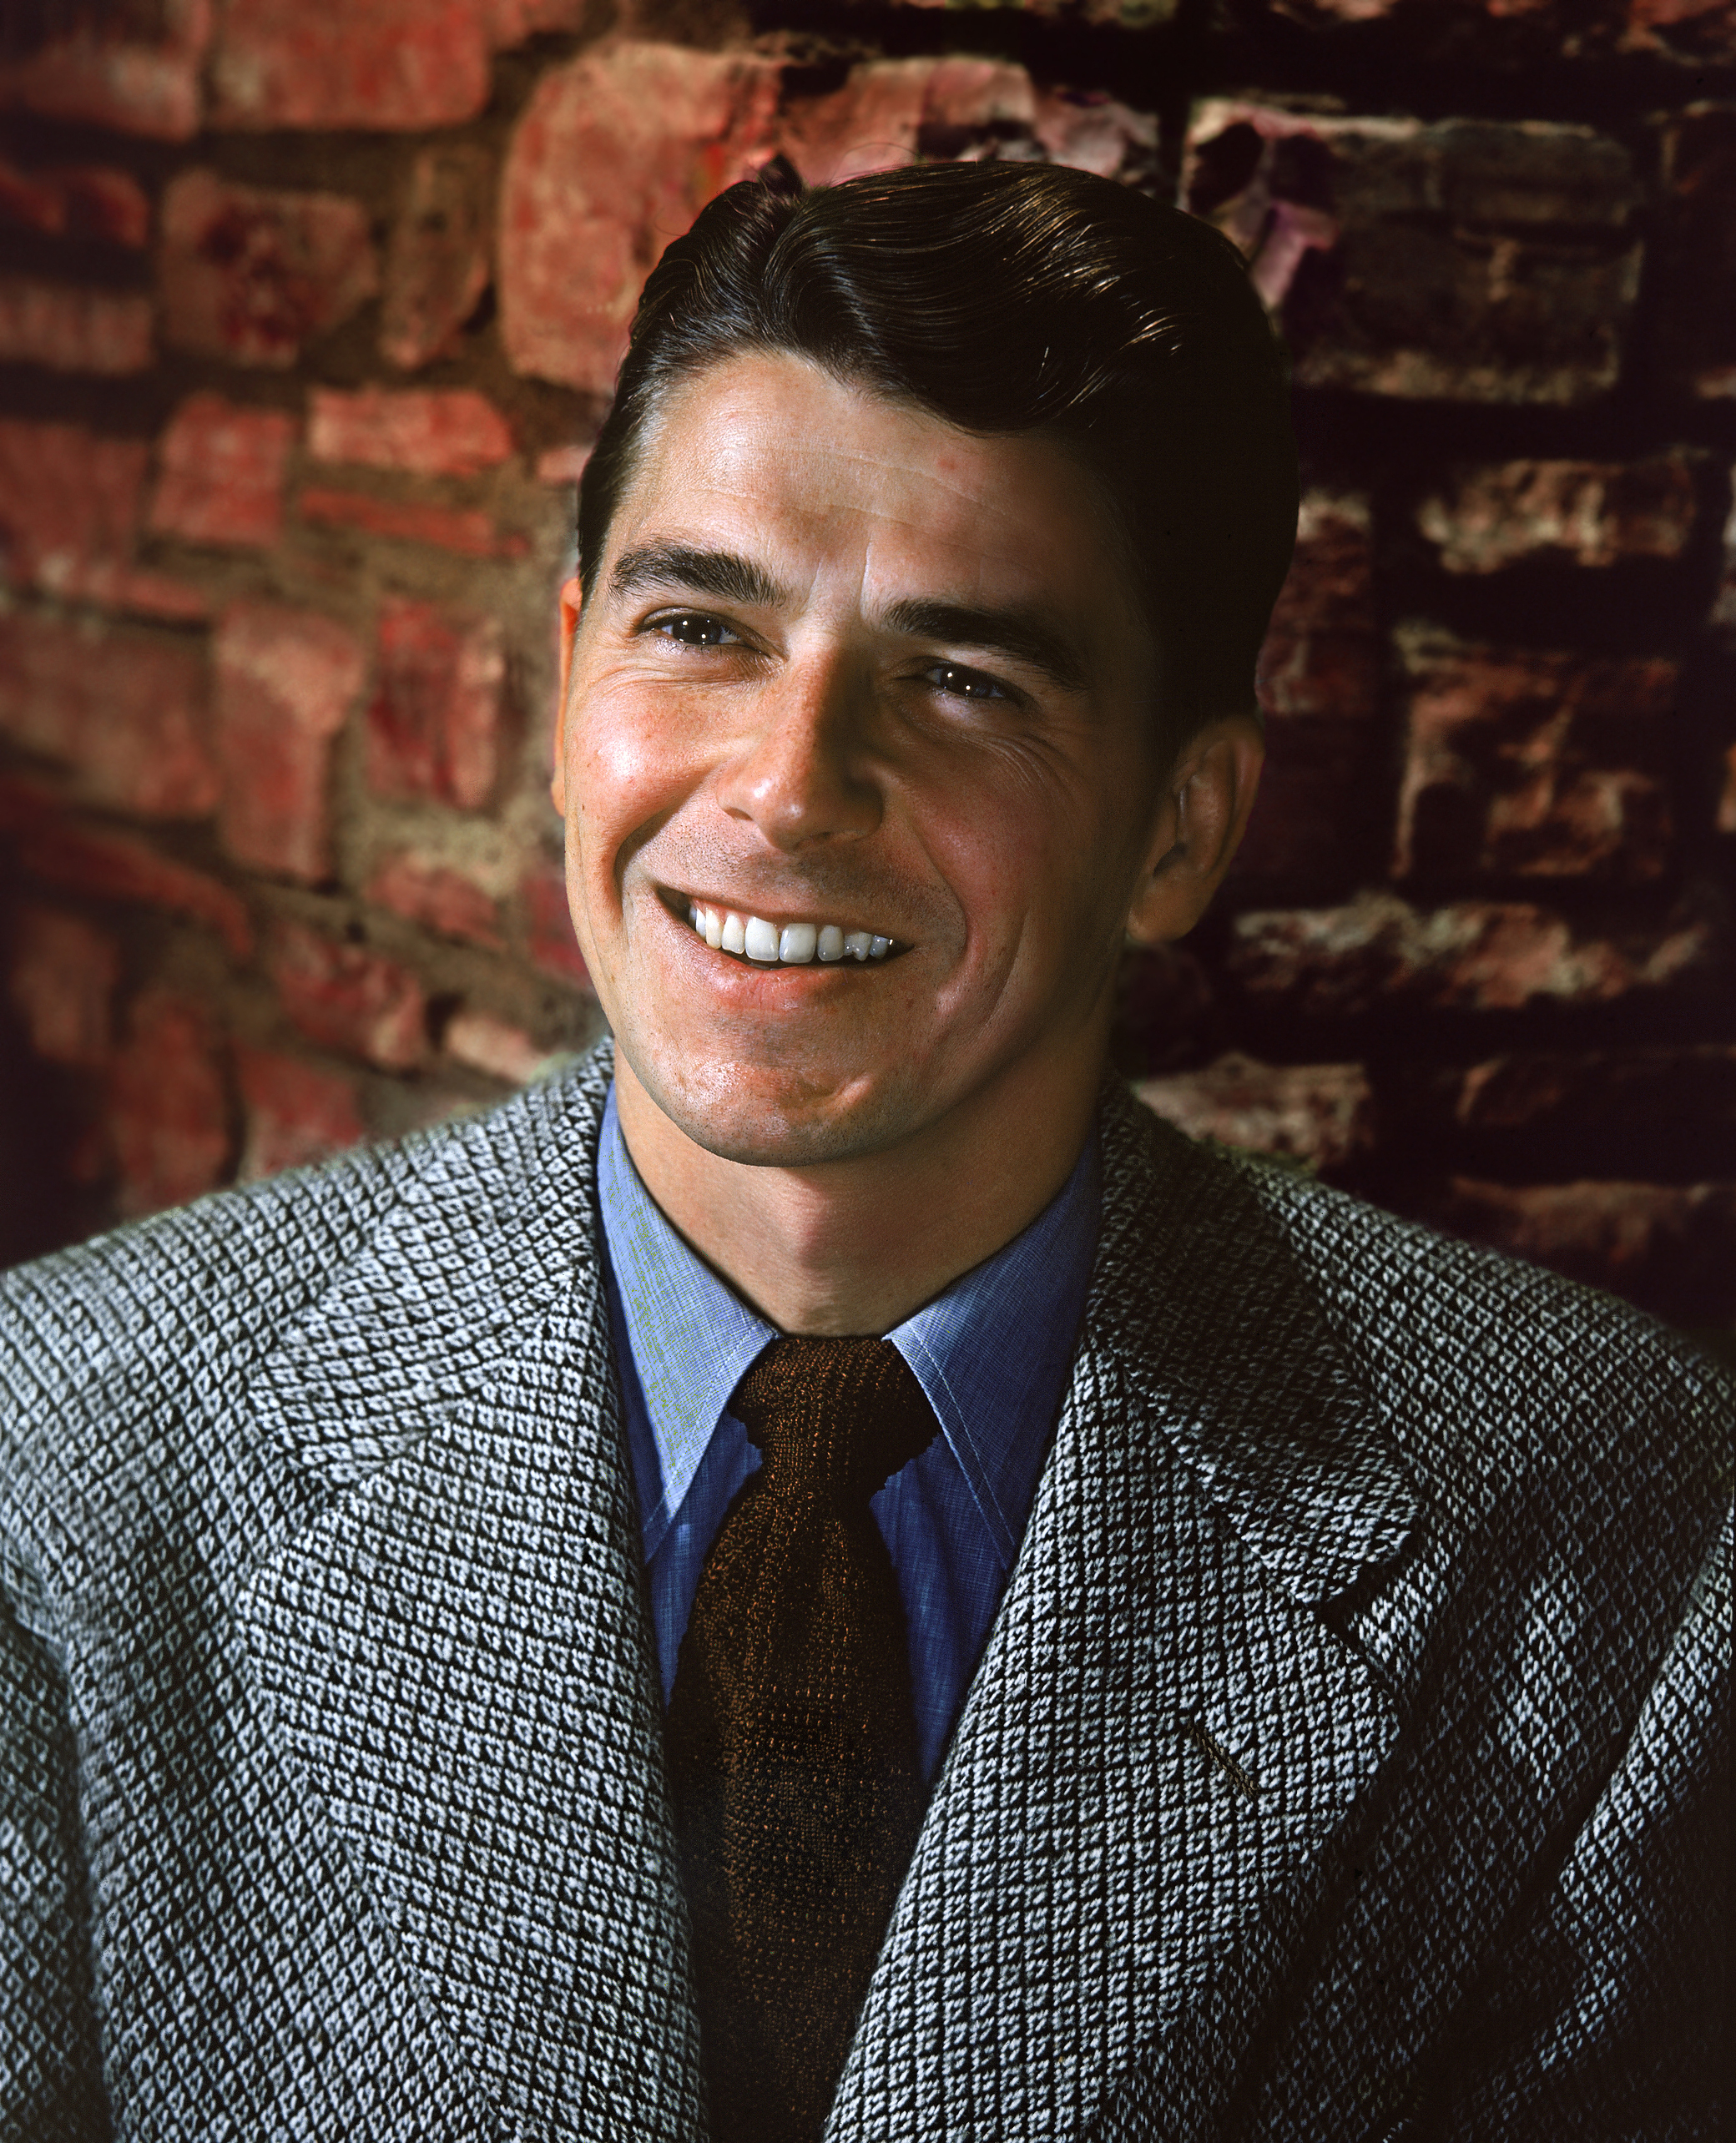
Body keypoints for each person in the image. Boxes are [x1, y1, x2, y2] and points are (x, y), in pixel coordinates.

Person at [1, 157, 1727, 2143]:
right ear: (567, 686)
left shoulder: (1616, 1534)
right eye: (697, 628)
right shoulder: (56, 1452)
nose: (790, 787)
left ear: (1177, 826)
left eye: (961, 679)